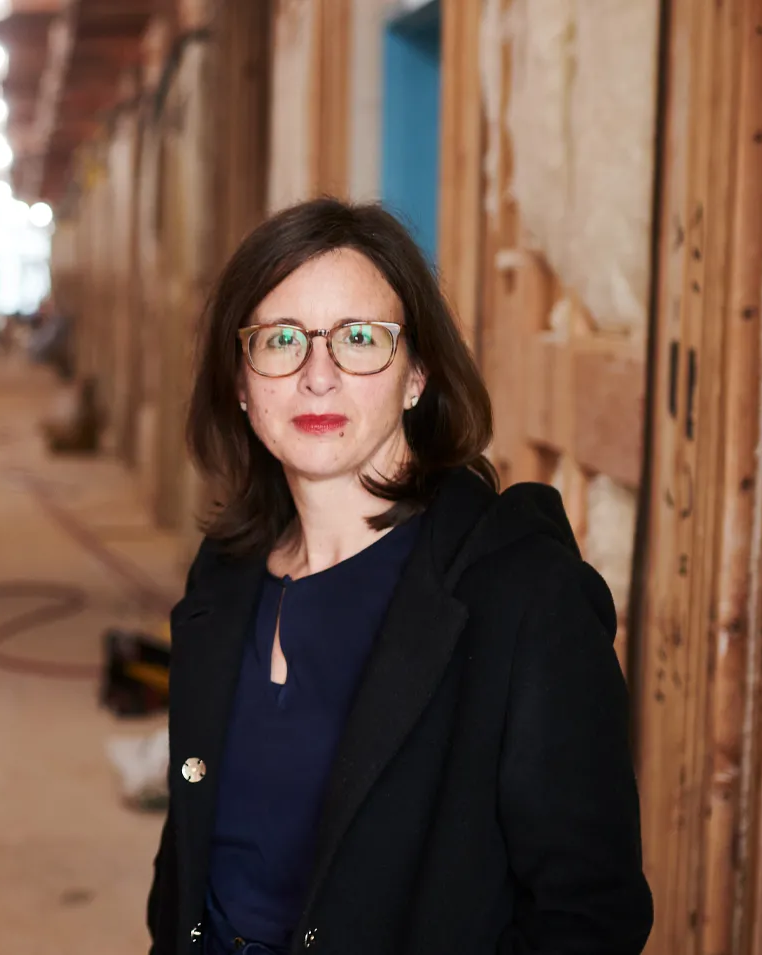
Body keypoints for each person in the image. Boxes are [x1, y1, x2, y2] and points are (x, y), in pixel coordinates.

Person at [147, 198, 651, 955]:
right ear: (242, 383)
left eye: (359, 339)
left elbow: (589, 915)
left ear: (416, 373)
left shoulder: (521, 595)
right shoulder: (223, 579)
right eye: (282, 339)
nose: (318, 376)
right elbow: (190, 859)